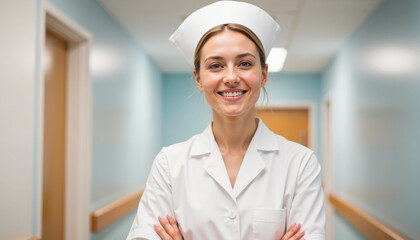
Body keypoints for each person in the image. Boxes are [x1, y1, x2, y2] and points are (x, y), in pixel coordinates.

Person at [127, 1, 325, 239]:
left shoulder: (300, 164)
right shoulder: (169, 165)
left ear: (263, 74)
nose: (231, 77)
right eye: (216, 66)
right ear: (198, 78)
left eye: (244, 63)